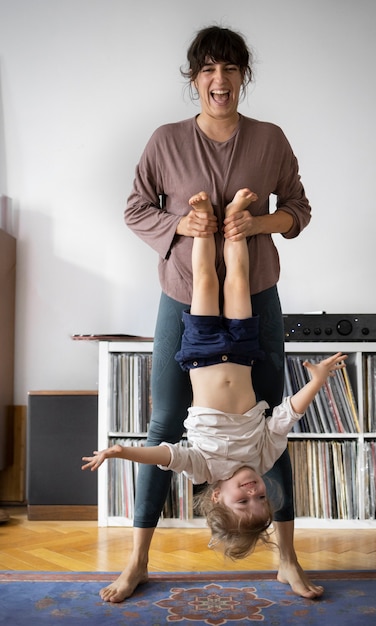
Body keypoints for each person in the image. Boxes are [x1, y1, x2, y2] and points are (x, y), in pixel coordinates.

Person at [101, 24, 319, 603]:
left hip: (257, 294)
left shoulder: (270, 138)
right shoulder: (165, 140)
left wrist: (260, 224)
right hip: (183, 293)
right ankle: (137, 560)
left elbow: (298, 210)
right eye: (208, 71)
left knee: (271, 428)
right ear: (194, 78)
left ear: (243, 76)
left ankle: (286, 559)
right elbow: (135, 209)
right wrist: (181, 223)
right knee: (162, 423)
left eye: (229, 69)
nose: (219, 81)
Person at [83, 189, 346, 561]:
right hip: (242, 353)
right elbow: (287, 415)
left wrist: (120, 451)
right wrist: (317, 381)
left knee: (204, 282)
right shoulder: (264, 458)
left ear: (218, 497)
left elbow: (164, 454)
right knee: (238, 280)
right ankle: (238, 213)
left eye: (244, 500)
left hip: (201, 355)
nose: (255, 489)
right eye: (261, 497)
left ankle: (204, 225)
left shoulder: (203, 469)